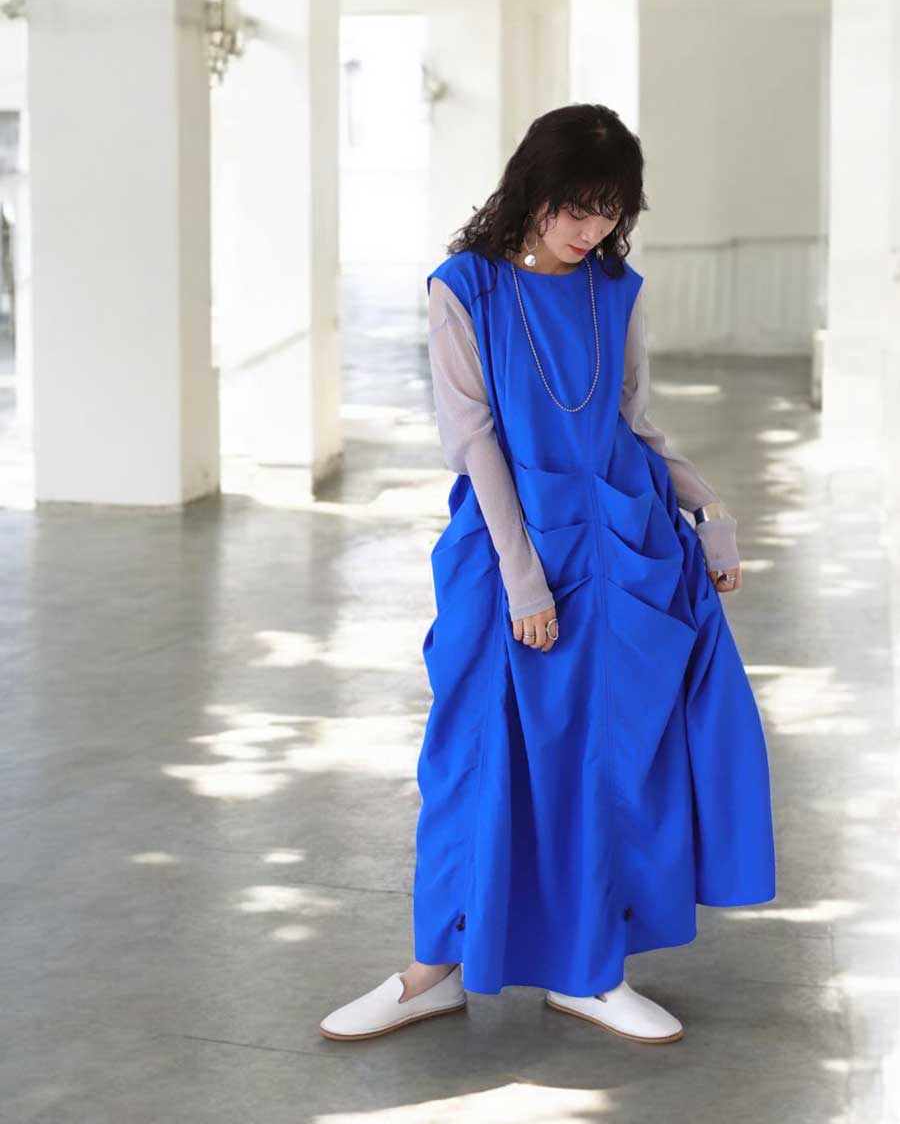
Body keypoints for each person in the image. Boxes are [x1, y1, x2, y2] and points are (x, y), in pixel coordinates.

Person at [320, 103, 776, 1043]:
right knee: (473, 761)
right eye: (577, 206)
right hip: (506, 558)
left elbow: (635, 429)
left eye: (611, 210)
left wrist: (712, 515)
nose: (592, 228)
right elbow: (474, 442)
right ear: (534, 188)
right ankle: (433, 971)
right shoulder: (465, 289)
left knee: (605, 765)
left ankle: (590, 970)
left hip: (617, 556)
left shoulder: (618, 292)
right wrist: (524, 580)